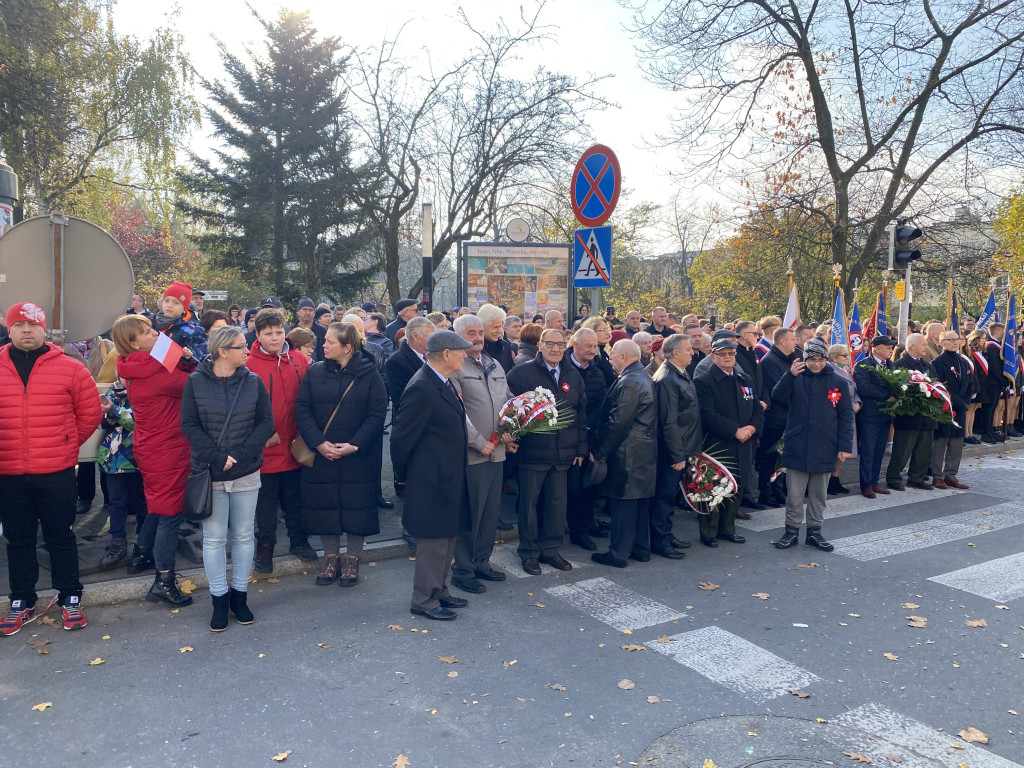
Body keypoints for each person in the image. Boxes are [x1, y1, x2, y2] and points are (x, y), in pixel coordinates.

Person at [0, 303, 101, 636]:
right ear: (9, 328)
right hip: (9, 472)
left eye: (33, 324)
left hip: (56, 472)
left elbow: (89, 415)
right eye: (19, 324)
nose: (26, 330)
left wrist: (67, 446)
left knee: (61, 537)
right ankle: (21, 601)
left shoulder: (71, 369)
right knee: (19, 540)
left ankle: (70, 596)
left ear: (45, 329)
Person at [181, 327, 274, 632]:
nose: (248, 352)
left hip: (246, 470)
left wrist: (243, 454)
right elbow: (189, 424)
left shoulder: (253, 381)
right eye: (241, 347)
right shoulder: (195, 382)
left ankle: (240, 596)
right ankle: (219, 599)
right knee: (215, 538)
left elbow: (265, 423)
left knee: (245, 535)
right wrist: (216, 456)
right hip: (211, 472)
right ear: (222, 352)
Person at [295, 322, 388, 589]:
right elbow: (302, 408)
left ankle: (353, 559)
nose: (323, 345)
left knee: (357, 508)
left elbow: (377, 413)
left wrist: (355, 445)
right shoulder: (314, 372)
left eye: (330, 342)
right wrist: (318, 443)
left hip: (357, 456)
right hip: (322, 454)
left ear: (347, 347)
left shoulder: (370, 375)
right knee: (325, 508)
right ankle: (331, 558)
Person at [391, 331, 474, 620]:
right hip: (431, 479)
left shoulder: (441, 381)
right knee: (434, 542)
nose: (466, 354)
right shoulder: (422, 386)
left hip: (447, 476)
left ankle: (439, 590)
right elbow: (401, 439)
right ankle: (423, 600)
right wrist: (405, 478)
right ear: (447, 353)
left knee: (447, 538)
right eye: (462, 350)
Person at [114, 314, 196, 607]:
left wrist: (182, 358)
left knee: (160, 509)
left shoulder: (140, 366)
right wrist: (189, 360)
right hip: (167, 449)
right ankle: (163, 581)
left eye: (151, 329)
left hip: (155, 447)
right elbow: (194, 385)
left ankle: (141, 553)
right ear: (132, 343)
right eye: (146, 333)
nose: (155, 335)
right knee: (170, 515)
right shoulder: (155, 370)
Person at [507, 328, 588, 575]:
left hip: (563, 453)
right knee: (529, 505)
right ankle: (529, 553)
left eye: (560, 344)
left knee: (557, 504)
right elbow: (509, 409)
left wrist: (581, 447)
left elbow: (580, 414)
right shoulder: (522, 373)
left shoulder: (573, 374)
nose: (555, 349)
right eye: (550, 344)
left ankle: (551, 550)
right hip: (533, 453)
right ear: (540, 345)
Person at [246, 309, 316, 572]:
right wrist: (263, 431)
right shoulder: (249, 364)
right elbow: (245, 405)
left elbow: (308, 398)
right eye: (268, 334)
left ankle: (299, 540)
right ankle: (265, 549)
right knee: (265, 502)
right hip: (267, 445)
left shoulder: (298, 359)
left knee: (295, 497)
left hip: (295, 442)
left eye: (278, 332)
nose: (274, 338)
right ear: (258, 335)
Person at [449, 315, 515, 593]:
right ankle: (462, 570)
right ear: (458, 336)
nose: (477, 337)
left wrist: (514, 427)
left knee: (489, 514)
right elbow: (457, 414)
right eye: (470, 333)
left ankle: (482, 563)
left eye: (479, 332)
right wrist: (478, 442)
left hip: (497, 452)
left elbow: (508, 400)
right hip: (473, 455)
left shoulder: (494, 363)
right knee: (471, 516)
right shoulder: (454, 367)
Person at [771, 338, 854, 551]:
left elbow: (845, 415)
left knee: (819, 494)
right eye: (811, 360)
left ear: (826, 359)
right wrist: (789, 375)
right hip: (798, 443)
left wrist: (845, 445)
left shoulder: (838, 381)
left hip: (826, 444)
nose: (816, 364)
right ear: (804, 359)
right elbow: (777, 396)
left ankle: (814, 532)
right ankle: (791, 531)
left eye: (820, 359)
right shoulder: (796, 378)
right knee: (795, 494)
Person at [591, 339, 658, 568]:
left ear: (623, 357)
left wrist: (600, 453)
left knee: (623, 505)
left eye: (612, 356)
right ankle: (640, 549)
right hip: (642, 450)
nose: (610, 360)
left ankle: (618, 553)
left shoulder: (631, 381)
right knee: (638, 503)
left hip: (628, 452)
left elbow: (617, 422)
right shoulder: (640, 376)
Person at [693, 338, 764, 547]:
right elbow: (708, 414)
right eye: (722, 354)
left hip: (744, 442)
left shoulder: (744, 378)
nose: (727, 357)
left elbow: (757, 409)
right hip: (718, 444)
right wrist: (734, 431)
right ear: (713, 356)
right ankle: (709, 532)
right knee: (714, 488)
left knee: (736, 487)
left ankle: (727, 529)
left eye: (731, 354)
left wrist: (751, 428)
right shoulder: (704, 381)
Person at [650, 334, 702, 559]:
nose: (693, 352)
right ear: (675, 352)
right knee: (663, 497)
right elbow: (668, 421)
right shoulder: (667, 378)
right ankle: (659, 540)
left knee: (668, 497)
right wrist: (677, 454)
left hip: (683, 446)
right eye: (688, 349)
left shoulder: (678, 372)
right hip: (672, 451)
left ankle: (666, 533)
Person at [564, 328, 614, 550]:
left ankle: (587, 524)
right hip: (565, 437)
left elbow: (602, 403)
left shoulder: (597, 370)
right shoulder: (563, 368)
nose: (593, 351)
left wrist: (589, 428)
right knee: (572, 489)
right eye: (588, 346)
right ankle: (576, 530)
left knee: (588, 486)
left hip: (590, 436)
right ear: (575, 345)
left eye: (595, 346)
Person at [96, 382, 148, 570]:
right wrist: (111, 412)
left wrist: (114, 411)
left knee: (142, 503)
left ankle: (143, 545)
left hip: (136, 459)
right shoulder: (114, 391)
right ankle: (117, 544)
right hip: (111, 460)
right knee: (116, 503)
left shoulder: (145, 390)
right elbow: (99, 419)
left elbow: (139, 421)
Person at [885, 333, 938, 490]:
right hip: (908, 416)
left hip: (927, 415)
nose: (926, 347)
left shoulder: (928, 365)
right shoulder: (899, 365)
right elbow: (896, 389)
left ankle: (917, 477)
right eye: (923, 345)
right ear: (912, 346)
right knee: (902, 449)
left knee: (924, 449)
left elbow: (937, 385)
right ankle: (894, 478)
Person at [756, 327, 798, 506]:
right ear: (782, 342)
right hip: (775, 419)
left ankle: (778, 490)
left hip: (786, 417)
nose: (796, 342)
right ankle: (766, 493)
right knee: (769, 457)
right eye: (792, 339)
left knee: (781, 457)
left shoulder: (789, 359)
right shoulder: (770, 361)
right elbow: (777, 393)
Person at [854, 335, 897, 498]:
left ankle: (874, 481)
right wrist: (886, 395)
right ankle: (865, 485)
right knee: (868, 450)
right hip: (870, 416)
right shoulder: (863, 365)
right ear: (876, 348)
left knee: (879, 450)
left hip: (886, 415)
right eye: (888, 347)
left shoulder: (891, 365)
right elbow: (864, 387)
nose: (891, 350)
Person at [931, 330, 973, 490]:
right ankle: (937, 476)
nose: (955, 342)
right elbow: (940, 386)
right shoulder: (937, 363)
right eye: (951, 339)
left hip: (961, 407)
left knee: (956, 442)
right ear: (941, 342)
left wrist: (965, 401)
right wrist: (957, 401)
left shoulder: (963, 361)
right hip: (945, 407)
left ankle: (951, 475)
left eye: (957, 339)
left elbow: (970, 383)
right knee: (941, 442)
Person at [826, 343, 860, 494]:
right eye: (844, 355)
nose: (847, 358)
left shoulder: (846, 370)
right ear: (834, 357)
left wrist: (858, 402)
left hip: (849, 413)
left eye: (847, 355)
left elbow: (854, 389)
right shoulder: (829, 371)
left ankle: (835, 478)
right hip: (836, 415)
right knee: (834, 449)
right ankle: (827, 481)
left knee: (843, 450)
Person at [385, 316, 434, 414]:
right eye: (430, 336)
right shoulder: (397, 361)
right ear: (415, 336)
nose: (434, 340)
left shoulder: (432, 355)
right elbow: (403, 400)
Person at [154, 281, 207, 361]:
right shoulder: (153, 324)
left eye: (176, 303)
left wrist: (191, 354)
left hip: (183, 371)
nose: (169, 305)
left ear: (184, 309)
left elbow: (203, 351)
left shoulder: (191, 330)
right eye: (166, 300)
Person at [479, 303, 517, 372]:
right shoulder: (476, 348)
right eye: (495, 327)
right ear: (483, 326)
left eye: (500, 327)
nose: (499, 331)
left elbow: (511, 375)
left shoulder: (505, 347)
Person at [295, 297, 327, 361]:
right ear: (298, 312)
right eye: (304, 309)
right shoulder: (290, 331)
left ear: (314, 313)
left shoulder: (322, 331)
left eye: (310, 310)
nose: (307, 312)